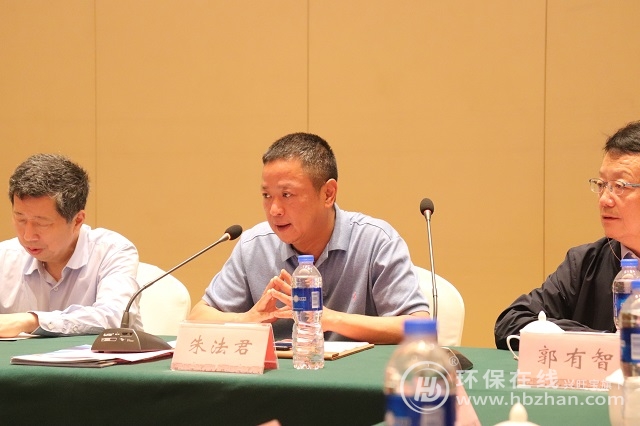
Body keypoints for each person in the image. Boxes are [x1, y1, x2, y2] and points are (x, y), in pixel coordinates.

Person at [189, 132, 430, 343]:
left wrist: (330, 319)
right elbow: (197, 318)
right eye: (266, 195)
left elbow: (420, 327)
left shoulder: (375, 241)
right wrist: (247, 320)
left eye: (287, 194)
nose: (274, 210)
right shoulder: (254, 246)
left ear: (328, 194)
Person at [495, 120, 640, 350]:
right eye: (602, 184)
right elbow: (511, 322)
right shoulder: (585, 262)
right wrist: (604, 342)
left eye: (620, 186)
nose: (604, 199)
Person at [0, 153, 142, 337]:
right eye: (20, 219)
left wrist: (32, 321)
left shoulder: (113, 251)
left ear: (77, 220)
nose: (28, 235)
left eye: (42, 223)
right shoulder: (4, 257)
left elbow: (114, 317)